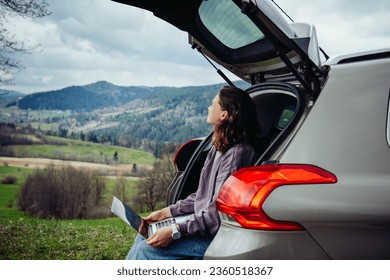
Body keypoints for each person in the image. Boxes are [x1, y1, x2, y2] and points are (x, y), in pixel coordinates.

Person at [126, 85, 261, 260]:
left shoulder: (236, 154)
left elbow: (216, 214)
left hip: (216, 237)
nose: (208, 108)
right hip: (202, 226)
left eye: (213, 104)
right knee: (145, 234)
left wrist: (176, 230)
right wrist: (165, 213)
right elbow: (201, 197)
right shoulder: (219, 147)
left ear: (224, 115)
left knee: (145, 250)